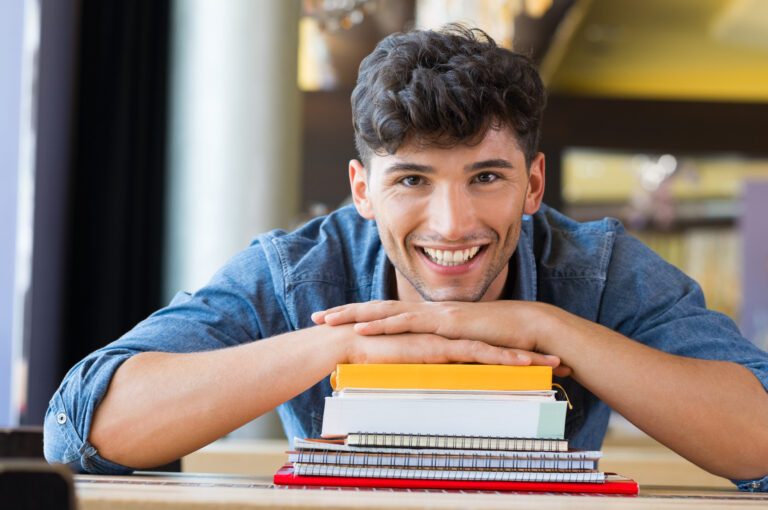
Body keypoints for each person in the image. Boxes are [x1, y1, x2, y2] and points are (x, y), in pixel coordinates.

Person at [44, 25, 768, 490]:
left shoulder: (599, 268)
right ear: (362, 190)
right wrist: (344, 342)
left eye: (486, 177)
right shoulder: (302, 270)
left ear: (534, 184)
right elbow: (84, 429)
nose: (452, 224)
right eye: (412, 180)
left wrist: (551, 328)